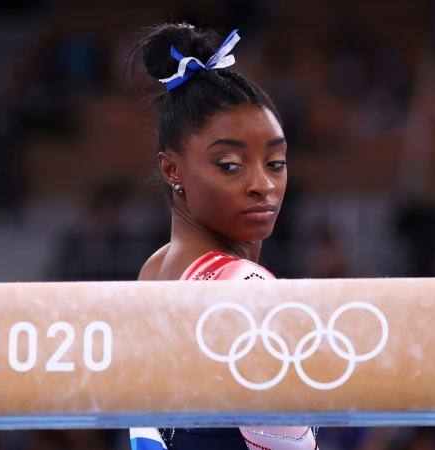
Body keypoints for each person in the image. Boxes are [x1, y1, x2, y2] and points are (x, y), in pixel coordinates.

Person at [127, 23, 317, 449]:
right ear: (172, 169)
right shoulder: (247, 290)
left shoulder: (155, 270)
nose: (262, 184)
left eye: (275, 162)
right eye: (230, 164)